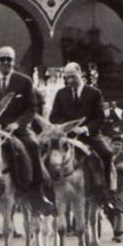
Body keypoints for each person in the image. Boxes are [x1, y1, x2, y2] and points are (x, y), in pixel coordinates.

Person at [0, 46, 49, 200]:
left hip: (18, 129)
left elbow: (32, 108)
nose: (5, 62)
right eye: (2, 59)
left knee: (33, 145)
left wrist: (17, 124)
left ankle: (37, 194)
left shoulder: (24, 81)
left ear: (13, 61)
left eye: (9, 59)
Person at [49, 62, 115, 201]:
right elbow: (53, 117)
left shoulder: (94, 93)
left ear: (80, 73)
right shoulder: (61, 94)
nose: (70, 81)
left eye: (73, 77)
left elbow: (100, 118)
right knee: (47, 154)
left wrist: (85, 129)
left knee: (107, 154)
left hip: (89, 136)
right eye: (67, 78)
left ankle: (106, 191)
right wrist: (68, 126)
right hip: (67, 136)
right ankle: (47, 190)